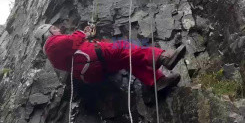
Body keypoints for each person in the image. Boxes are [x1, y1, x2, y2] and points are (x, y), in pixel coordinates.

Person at [34, 24, 186, 91]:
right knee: (124, 46)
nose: (58, 30)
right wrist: (84, 33)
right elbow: (71, 41)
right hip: (94, 56)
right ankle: (163, 58)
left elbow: (72, 46)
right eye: (53, 28)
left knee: (128, 60)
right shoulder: (51, 44)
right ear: (47, 34)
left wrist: (86, 35)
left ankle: (157, 81)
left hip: (92, 69)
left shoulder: (54, 54)